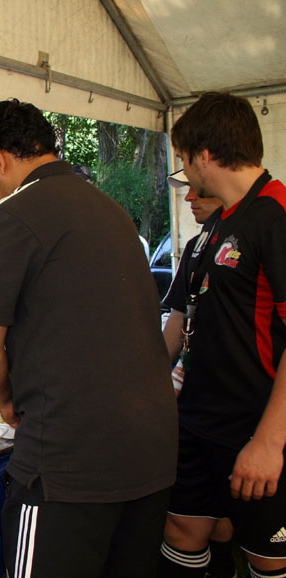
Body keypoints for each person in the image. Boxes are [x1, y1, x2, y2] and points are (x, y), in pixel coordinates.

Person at [0, 99, 178, 578]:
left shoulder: (14, 212)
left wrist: (5, 398)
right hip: (151, 449)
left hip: (70, 462)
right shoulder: (112, 211)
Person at [157, 92, 286, 578]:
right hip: (198, 422)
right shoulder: (216, 227)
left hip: (255, 428)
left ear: (205, 155)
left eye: (185, 159)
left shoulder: (275, 215)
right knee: (182, 533)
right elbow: (187, 325)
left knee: (265, 555)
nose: (185, 173)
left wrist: (268, 443)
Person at [161, 171, 234, 578]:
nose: (188, 198)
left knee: (233, 523)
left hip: (244, 417)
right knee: (189, 520)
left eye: (197, 187)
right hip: (194, 414)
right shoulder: (196, 245)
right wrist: (155, 383)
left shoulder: (264, 226)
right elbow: (178, 321)